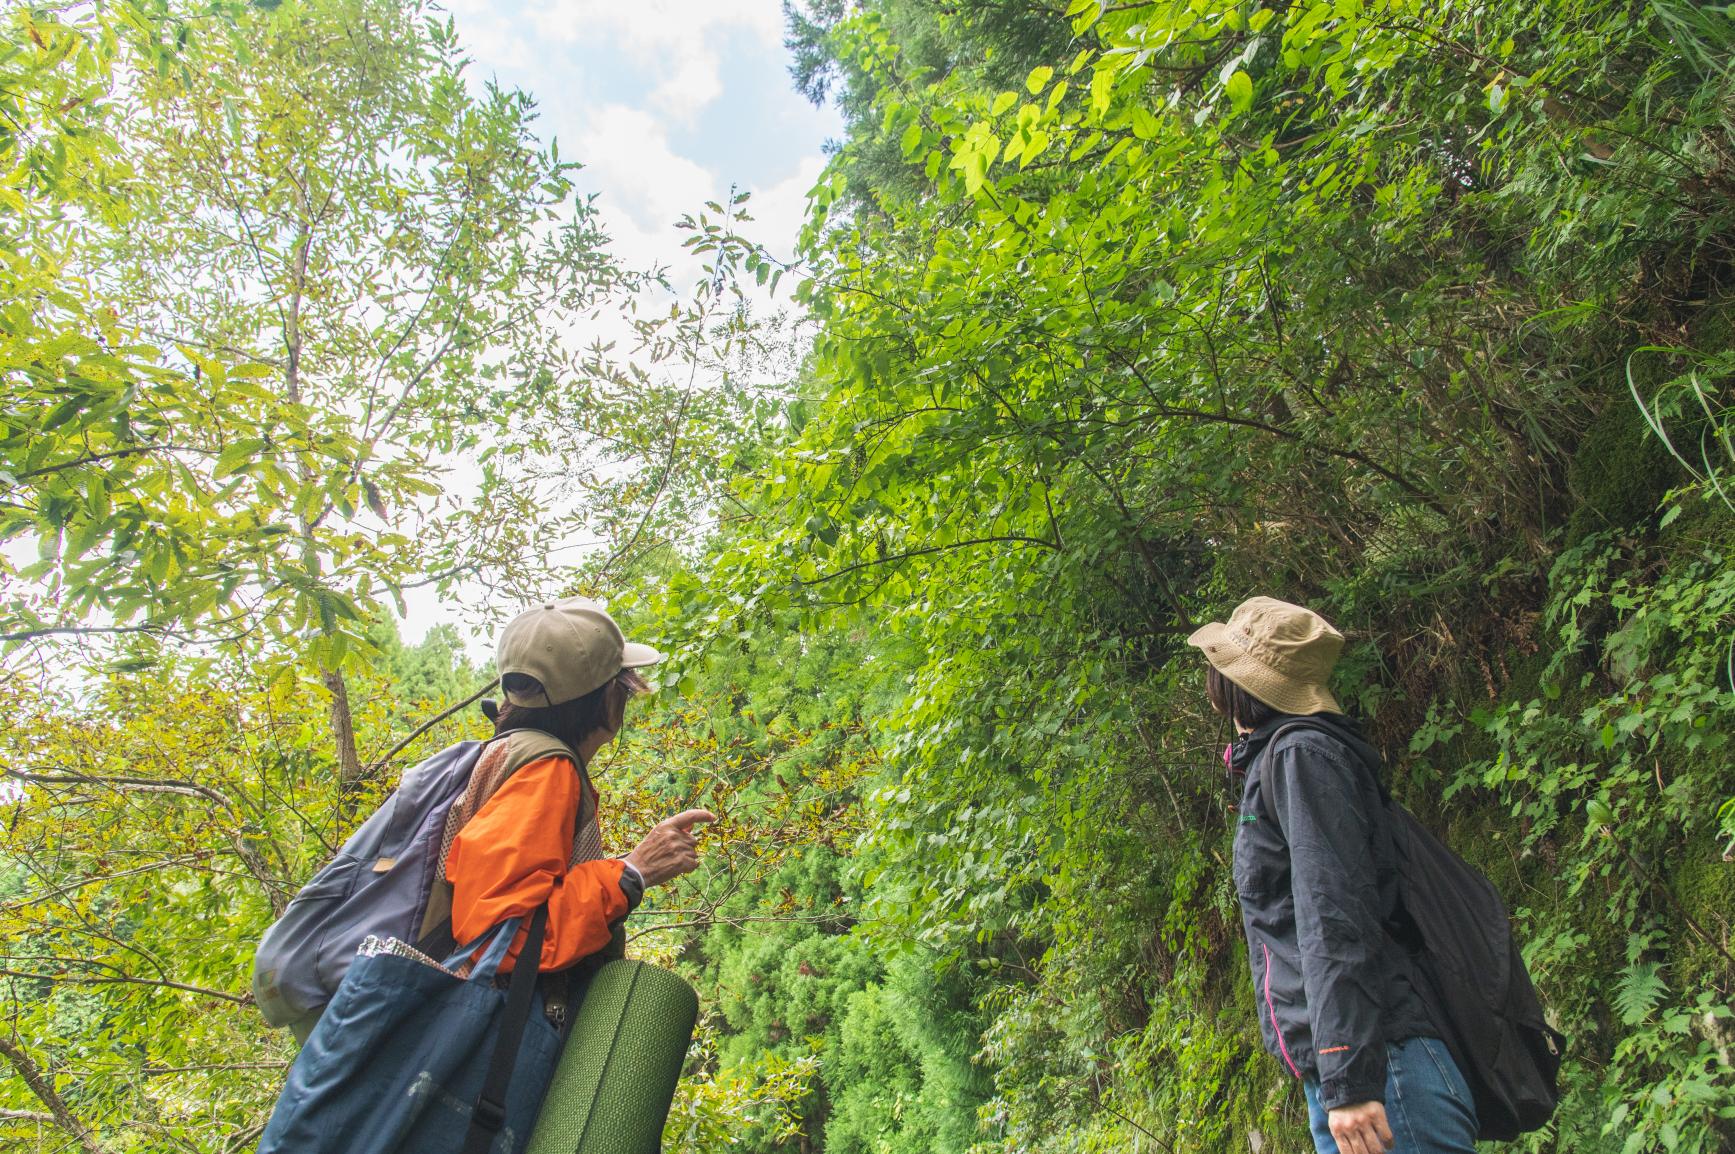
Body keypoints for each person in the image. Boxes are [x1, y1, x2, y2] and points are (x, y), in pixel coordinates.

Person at [1187, 596, 1477, 1154]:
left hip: (1381, 1075)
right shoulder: (1286, 758)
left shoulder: (1301, 757)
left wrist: (1349, 1074)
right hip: (1363, 1070)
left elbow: (1332, 912)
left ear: (1234, 684)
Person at [430, 596, 715, 1020]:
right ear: (600, 700)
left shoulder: (506, 753)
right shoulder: (547, 772)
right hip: (486, 1028)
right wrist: (632, 874)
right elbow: (504, 937)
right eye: (623, 684)